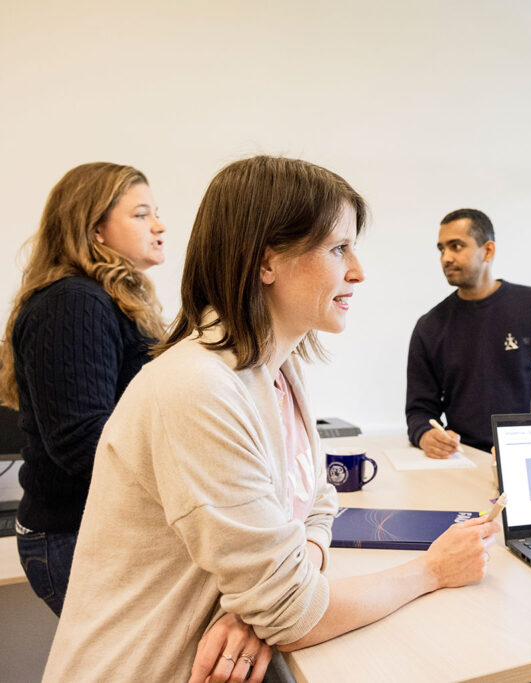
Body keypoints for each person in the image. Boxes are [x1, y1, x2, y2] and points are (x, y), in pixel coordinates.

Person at [43, 156, 499, 682]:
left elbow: (318, 503)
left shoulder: (276, 371)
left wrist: (269, 599)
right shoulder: (199, 387)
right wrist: (431, 570)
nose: (358, 270)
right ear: (266, 263)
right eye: (337, 248)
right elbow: (291, 615)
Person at [0, 162, 166, 616]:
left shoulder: (105, 299)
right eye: (141, 214)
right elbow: (81, 443)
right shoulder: (74, 303)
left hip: (96, 534)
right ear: (95, 229)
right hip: (78, 539)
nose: (159, 225)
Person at [406, 208, 531, 458]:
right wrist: (426, 435)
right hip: (466, 459)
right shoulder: (430, 326)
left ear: (488, 250)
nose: (446, 257)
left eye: (456, 246)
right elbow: (419, 411)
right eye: (441, 249)